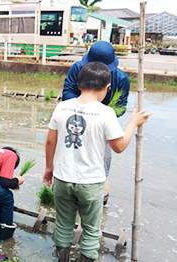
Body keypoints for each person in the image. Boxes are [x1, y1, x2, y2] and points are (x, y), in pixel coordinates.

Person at [43, 62, 152, 262]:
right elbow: (119, 146)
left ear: (79, 84)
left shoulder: (62, 107)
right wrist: (132, 123)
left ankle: (62, 259)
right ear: (106, 87)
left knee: (63, 225)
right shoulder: (105, 113)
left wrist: (49, 168)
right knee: (92, 229)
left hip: (63, 178)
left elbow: (50, 140)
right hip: (91, 183)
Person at [62, 41, 131, 205]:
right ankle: (69, 193)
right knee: (70, 156)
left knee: (103, 161)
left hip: (103, 126)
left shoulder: (121, 79)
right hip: (75, 120)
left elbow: (120, 108)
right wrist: (87, 107)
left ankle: (101, 200)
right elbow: (67, 92)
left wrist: (98, 114)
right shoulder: (77, 69)